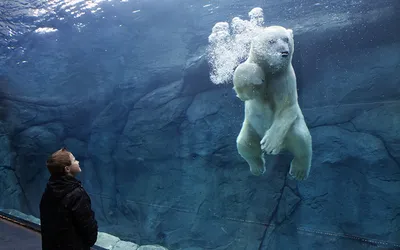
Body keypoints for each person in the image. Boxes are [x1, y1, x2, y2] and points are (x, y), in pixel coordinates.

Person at [39, 147, 98, 250]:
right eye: (74, 160)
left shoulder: (49, 189)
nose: (78, 161)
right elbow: (87, 226)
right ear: (67, 169)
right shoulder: (77, 194)